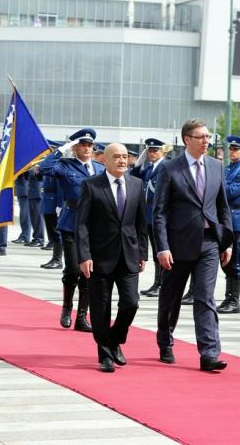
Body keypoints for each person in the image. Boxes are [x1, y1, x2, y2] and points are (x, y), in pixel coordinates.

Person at [153, 119, 233, 371]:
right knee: (171, 296)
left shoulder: (216, 166)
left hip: (209, 242)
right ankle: (165, 340)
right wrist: (162, 247)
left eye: (208, 136)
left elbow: (222, 207)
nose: (206, 141)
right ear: (187, 139)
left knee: (205, 297)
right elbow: (160, 212)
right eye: (201, 137)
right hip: (178, 245)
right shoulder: (170, 169)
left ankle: (209, 353)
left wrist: (227, 242)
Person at [76, 143, 148, 373]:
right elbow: (82, 225)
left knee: (131, 303)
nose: (122, 161)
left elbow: (141, 223)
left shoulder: (136, 184)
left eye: (125, 156)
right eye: (116, 157)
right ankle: (105, 355)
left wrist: (143, 253)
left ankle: (115, 339)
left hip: (129, 255)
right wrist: (84, 256)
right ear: (104, 160)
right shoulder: (91, 186)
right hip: (99, 258)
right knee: (101, 308)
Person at [41, 128, 105, 332]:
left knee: (89, 272)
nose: (86, 148)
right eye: (82, 145)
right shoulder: (65, 165)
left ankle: (82, 317)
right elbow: (45, 168)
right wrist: (63, 148)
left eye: (89, 145)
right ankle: (67, 308)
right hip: (72, 223)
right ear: (75, 147)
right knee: (73, 270)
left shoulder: (100, 168)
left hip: (95, 226)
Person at [216, 135, 240, 314]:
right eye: (231, 149)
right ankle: (228, 297)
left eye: (236, 149)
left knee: (235, 259)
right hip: (223, 219)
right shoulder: (227, 169)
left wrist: (218, 183)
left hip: (235, 218)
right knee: (225, 261)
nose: (232, 151)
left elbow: (231, 192)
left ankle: (234, 300)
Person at [130, 138, 166, 298]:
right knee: (155, 251)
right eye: (149, 151)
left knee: (161, 250)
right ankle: (157, 283)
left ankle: (162, 284)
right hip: (148, 214)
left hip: (159, 214)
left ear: (162, 152)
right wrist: (139, 161)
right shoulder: (150, 168)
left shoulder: (165, 167)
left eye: (155, 151)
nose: (152, 153)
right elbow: (134, 176)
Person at [40, 140, 64, 269]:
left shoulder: (59, 166)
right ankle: (54, 258)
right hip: (47, 201)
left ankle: (58, 259)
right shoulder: (49, 165)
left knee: (56, 232)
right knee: (51, 232)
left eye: (52, 150)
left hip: (54, 202)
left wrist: (60, 205)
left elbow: (60, 188)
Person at [25, 165, 45, 248]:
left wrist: (33, 169)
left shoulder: (40, 163)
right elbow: (26, 177)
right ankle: (36, 237)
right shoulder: (31, 164)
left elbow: (40, 176)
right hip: (32, 193)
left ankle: (39, 239)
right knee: (33, 218)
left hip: (37, 193)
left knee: (38, 218)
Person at [12, 174, 32, 244]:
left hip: (24, 189)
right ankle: (24, 235)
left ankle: (25, 236)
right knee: (23, 215)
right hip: (21, 190)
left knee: (25, 215)